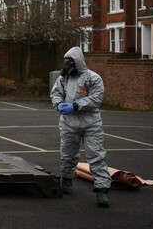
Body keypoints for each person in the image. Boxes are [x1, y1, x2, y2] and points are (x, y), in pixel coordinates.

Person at [50, 46, 111, 207]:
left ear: (78, 62)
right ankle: (67, 181)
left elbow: (96, 98)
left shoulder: (93, 78)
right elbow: (56, 93)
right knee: (68, 154)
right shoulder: (64, 78)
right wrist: (59, 104)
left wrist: (76, 105)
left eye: (70, 62)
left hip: (90, 122)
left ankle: (102, 189)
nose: (67, 65)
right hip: (68, 122)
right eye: (66, 62)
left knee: (96, 156)